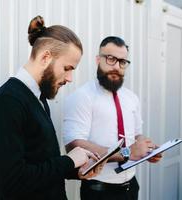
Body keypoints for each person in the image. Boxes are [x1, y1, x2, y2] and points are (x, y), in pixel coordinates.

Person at [0, 16, 103, 200]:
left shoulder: (38, 97)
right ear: (46, 57)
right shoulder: (7, 102)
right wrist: (69, 161)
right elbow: (11, 182)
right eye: (67, 68)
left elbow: (39, 163)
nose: (70, 78)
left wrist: (76, 169)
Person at [62, 36, 162, 200]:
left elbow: (137, 134)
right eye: (111, 59)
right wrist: (128, 153)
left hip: (131, 186)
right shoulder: (81, 97)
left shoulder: (131, 97)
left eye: (122, 62)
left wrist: (148, 150)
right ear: (98, 60)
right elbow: (74, 145)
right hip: (99, 191)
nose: (116, 66)